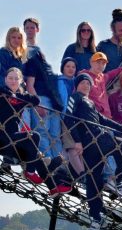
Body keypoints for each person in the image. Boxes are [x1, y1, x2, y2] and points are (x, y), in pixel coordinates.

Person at [64, 73, 122, 227]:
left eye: (88, 83)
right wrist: (77, 141)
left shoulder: (89, 102)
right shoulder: (76, 97)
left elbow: (103, 119)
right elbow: (68, 117)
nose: (86, 85)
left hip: (96, 142)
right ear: (77, 85)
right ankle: (118, 181)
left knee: (94, 179)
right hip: (93, 139)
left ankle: (95, 216)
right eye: (83, 83)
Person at [0, 67, 71, 197]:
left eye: (16, 78)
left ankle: (53, 188)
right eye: (10, 78)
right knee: (33, 136)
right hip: (2, 138)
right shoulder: (2, 93)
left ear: (21, 81)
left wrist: (20, 96)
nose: (13, 81)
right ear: (5, 79)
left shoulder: (20, 98)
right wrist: (8, 93)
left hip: (14, 141)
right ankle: (31, 172)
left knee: (35, 155)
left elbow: (36, 100)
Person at [25, 49, 64, 158]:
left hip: (54, 103)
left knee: (55, 136)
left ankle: (59, 165)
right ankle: (49, 163)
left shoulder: (47, 66)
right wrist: (38, 104)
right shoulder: (33, 62)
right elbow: (30, 85)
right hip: (42, 99)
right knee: (42, 132)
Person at [80, 51, 122, 119]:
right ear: (91, 62)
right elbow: (78, 96)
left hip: (106, 118)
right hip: (93, 117)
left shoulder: (103, 77)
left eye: (103, 63)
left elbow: (113, 73)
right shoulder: (84, 76)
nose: (101, 65)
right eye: (98, 62)